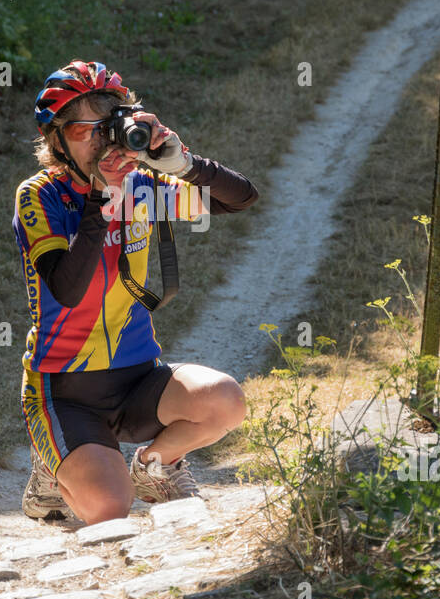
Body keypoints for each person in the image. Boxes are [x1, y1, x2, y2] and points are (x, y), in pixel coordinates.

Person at [13, 59, 259, 525]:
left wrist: (185, 163)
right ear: (56, 139)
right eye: (85, 130)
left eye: (108, 127)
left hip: (137, 377)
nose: (100, 142)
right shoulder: (39, 194)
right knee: (109, 508)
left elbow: (240, 198)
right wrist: (101, 200)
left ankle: (154, 465)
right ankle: (51, 468)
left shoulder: (141, 185)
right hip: (64, 388)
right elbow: (66, 288)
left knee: (226, 400)